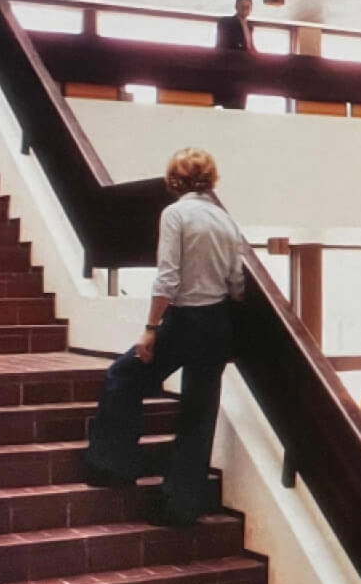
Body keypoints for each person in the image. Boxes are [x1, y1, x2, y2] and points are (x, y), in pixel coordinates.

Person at [85, 147, 245, 525]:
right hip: (218, 322)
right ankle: (181, 504)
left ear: (174, 180)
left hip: (184, 319)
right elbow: (237, 282)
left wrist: (151, 328)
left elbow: (168, 277)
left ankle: (114, 464)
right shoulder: (226, 221)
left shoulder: (175, 214)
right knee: (199, 413)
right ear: (210, 179)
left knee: (124, 376)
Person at [214, 0, 254, 110]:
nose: (245, 9)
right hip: (232, 66)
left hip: (245, 68)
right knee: (231, 101)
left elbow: (249, 45)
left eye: (248, 7)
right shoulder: (226, 22)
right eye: (243, 6)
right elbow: (222, 44)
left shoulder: (250, 26)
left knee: (241, 99)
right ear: (236, 7)